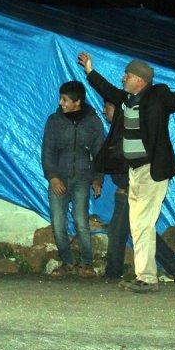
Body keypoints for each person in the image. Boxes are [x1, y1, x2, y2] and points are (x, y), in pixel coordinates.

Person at [78, 51, 175, 293]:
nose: (123, 78)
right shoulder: (126, 99)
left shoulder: (157, 95)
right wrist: (90, 70)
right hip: (133, 171)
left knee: (140, 223)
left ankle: (147, 278)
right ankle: (147, 275)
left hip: (153, 170)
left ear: (140, 79)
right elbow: (107, 89)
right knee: (141, 224)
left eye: (127, 75)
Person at [97, 101, 175, 283]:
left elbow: (133, 162)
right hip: (126, 189)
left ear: (118, 110)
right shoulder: (121, 130)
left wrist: (128, 185)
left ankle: (114, 273)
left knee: (122, 232)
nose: (104, 111)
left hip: (132, 188)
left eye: (107, 107)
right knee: (137, 231)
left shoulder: (129, 131)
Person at [41, 81, 105, 278]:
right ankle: (67, 262)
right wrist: (52, 177)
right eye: (61, 98)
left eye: (65, 100)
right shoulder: (54, 121)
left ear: (77, 102)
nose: (61, 103)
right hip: (58, 179)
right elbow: (47, 151)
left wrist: (98, 179)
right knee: (58, 223)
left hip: (82, 179)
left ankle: (87, 264)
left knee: (80, 221)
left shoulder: (93, 122)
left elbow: (100, 153)